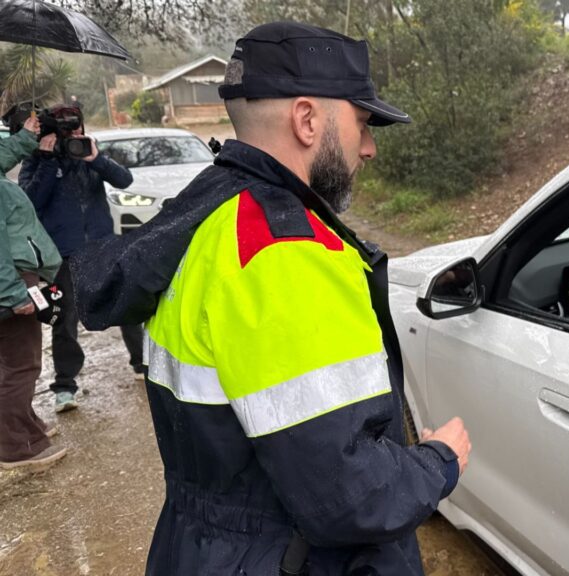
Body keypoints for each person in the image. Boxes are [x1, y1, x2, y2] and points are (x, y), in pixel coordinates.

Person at [71, 22, 471, 575]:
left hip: (207, 548)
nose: (370, 147)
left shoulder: (208, 215)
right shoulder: (283, 253)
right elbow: (347, 497)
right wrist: (438, 461)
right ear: (307, 119)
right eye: (362, 123)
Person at [18, 105, 142, 413]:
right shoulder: (36, 159)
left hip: (102, 246)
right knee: (61, 319)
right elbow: (30, 202)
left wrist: (95, 158)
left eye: (77, 129)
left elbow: (124, 180)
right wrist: (47, 161)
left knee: (128, 305)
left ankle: (142, 363)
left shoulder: (88, 151)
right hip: (60, 255)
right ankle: (64, 385)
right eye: (67, 132)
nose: (73, 136)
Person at [0, 115, 67, 470]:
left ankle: (24, 426)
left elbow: (3, 154)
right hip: (10, 280)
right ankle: (16, 447)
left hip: (14, 276)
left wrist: (28, 136)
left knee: (11, 360)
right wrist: (13, 294)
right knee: (21, 363)